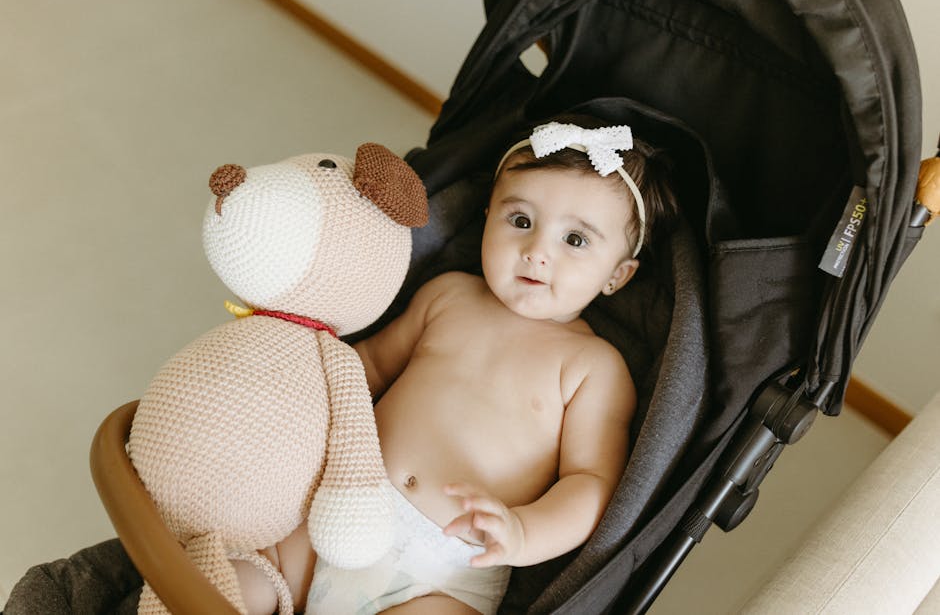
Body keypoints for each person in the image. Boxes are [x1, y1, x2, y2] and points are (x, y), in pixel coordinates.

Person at [234, 115, 679, 614]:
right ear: (488, 216)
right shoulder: (448, 296)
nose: (536, 252)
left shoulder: (593, 367)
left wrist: (522, 532)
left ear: (617, 276)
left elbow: (591, 485)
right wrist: (289, 391)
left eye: (575, 240)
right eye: (521, 221)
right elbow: (369, 367)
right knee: (240, 575)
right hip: (342, 501)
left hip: (441, 574)